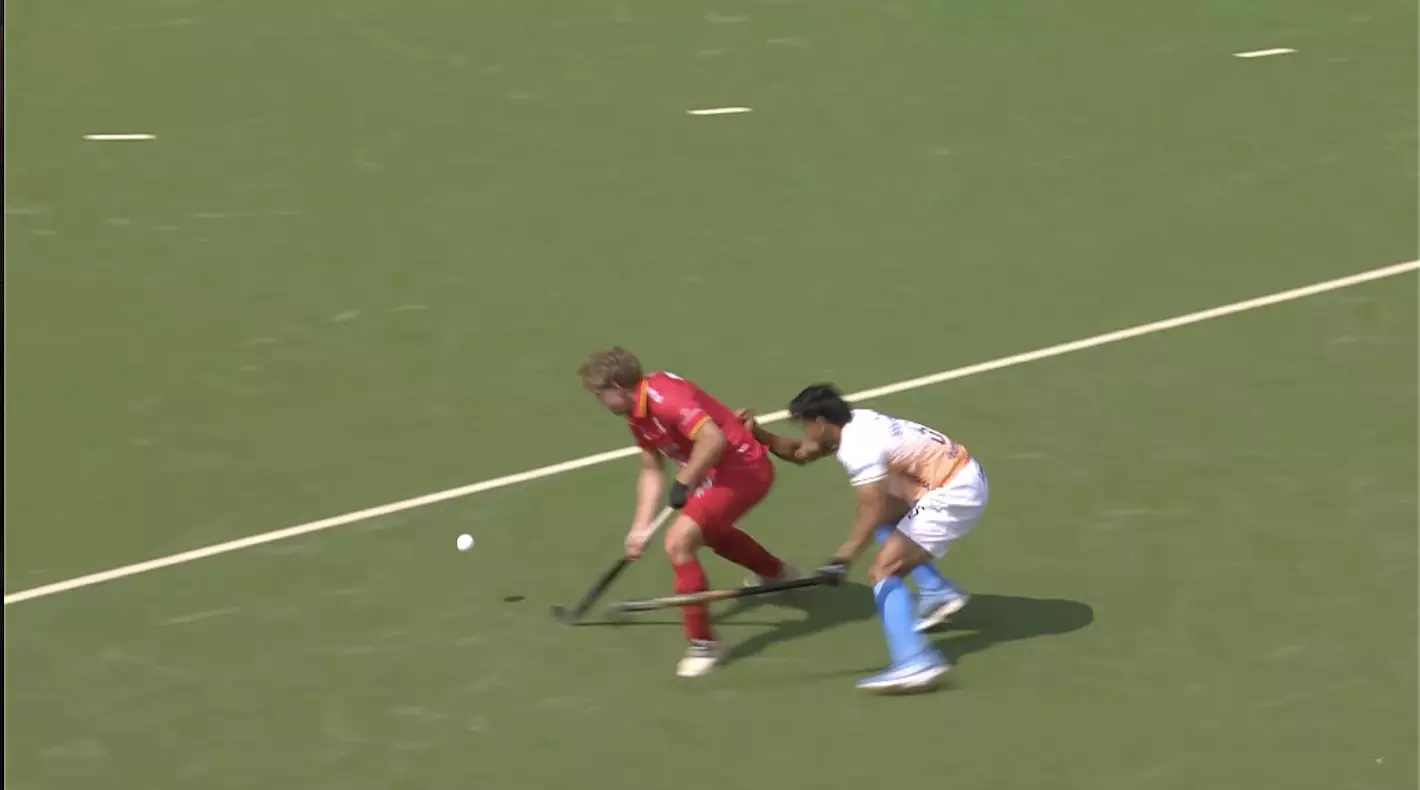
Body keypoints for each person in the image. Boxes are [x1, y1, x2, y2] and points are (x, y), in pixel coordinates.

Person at [739, 384, 989, 693]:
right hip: (950, 477)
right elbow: (801, 454)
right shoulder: (854, 422)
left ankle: (915, 661)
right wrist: (758, 434)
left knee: (883, 572)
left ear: (820, 422)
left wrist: (842, 559)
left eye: (805, 425)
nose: (804, 432)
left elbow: (871, 509)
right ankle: (937, 591)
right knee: (886, 522)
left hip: (952, 492)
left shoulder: (859, 447)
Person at [578, 347, 799, 678]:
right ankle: (778, 575)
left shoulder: (665, 399)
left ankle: (703, 644)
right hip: (712, 473)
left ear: (619, 388)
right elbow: (651, 468)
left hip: (743, 469)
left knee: (679, 542)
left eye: (600, 394)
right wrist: (640, 528)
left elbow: (712, 439)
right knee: (709, 532)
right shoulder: (636, 413)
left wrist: (685, 479)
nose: (600, 401)